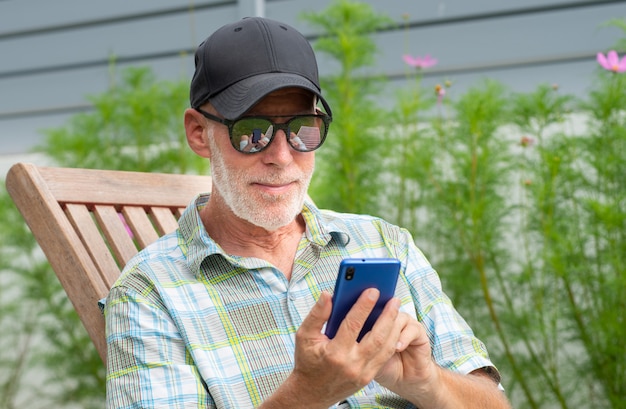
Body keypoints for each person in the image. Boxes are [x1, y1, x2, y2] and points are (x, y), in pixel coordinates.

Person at [104, 16, 511, 409]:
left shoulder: (385, 243)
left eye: (303, 128)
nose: (282, 157)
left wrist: (428, 383)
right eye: (252, 132)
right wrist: (305, 396)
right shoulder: (150, 292)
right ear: (199, 133)